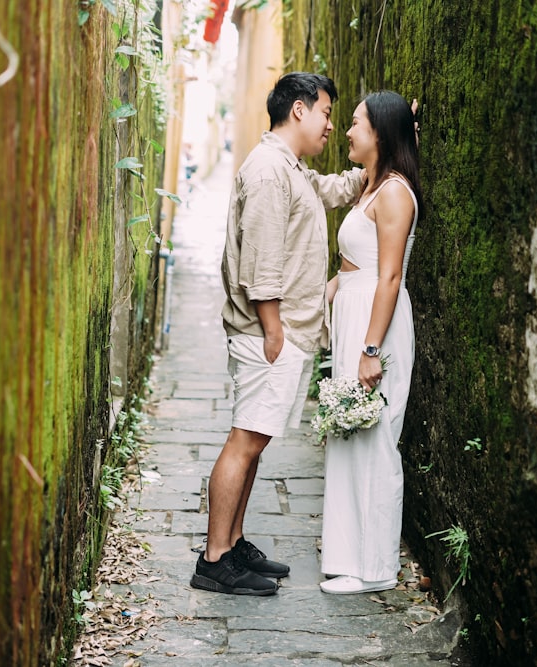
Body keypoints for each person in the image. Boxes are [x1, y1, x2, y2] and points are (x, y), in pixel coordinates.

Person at [190, 72, 364, 596]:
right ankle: (215, 558)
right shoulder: (268, 170)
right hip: (271, 332)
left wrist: (384, 156)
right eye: (327, 113)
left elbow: (334, 189)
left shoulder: (292, 169)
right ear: (298, 110)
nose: (331, 125)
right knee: (245, 440)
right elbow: (261, 262)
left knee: (256, 441)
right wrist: (273, 332)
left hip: (283, 332)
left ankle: (234, 541)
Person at [319, 90, 423, 594]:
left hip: (375, 327)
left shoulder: (396, 193)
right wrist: (330, 291)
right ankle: (348, 555)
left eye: (356, 122)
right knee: (350, 437)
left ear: (379, 132)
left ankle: (376, 567)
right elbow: (357, 264)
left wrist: (370, 349)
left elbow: (389, 277)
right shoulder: (370, 185)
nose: (346, 131)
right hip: (355, 319)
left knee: (377, 442)